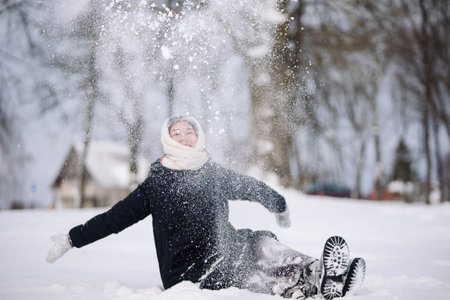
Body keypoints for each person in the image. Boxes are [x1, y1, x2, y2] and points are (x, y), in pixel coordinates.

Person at [46, 115, 366, 299]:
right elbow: (114, 219)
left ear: (198, 137)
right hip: (186, 272)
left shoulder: (212, 173)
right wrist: (72, 238)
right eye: (177, 133)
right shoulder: (156, 183)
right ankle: (307, 282)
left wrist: (278, 204)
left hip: (226, 250)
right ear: (167, 139)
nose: (184, 137)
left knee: (259, 244)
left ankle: (320, 276)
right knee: (248, 258)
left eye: (190, 132)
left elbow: (249, 187)